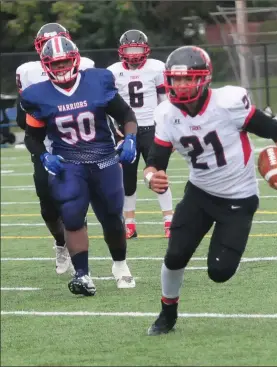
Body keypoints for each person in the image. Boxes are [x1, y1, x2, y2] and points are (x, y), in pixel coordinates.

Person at [143, 46, 277, 335]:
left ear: (204, 79)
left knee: (219, 272)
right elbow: (156, 159)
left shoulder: (228, 102)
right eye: (175, 80)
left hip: (239, 198)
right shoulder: (166, 113)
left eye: (187, 78)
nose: (181, 85)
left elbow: (274, 129)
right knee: (175, 256)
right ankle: (167, 314)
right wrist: (151, 176)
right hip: (200, 194)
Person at [21, 36, 137, 296]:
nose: (61, 68)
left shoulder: (97, 81)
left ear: (74, 59)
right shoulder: (36, 95)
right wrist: (43, 156)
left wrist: (129, 138)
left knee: (112, 218)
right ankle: (83, 275)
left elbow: (126, 115)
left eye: (64, 62)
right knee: (72, 217)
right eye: (55, 63)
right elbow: (32, 136)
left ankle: (120, 265)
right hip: (68, 163)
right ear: (46, 64)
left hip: (105, 158)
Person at [15, 23, 95, 275]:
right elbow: (22, 118)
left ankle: (81, 264)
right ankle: (61, 243)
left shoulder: (87, 66)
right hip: (45, 146)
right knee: (48, 206)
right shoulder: (27, 72)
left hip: (77, 144)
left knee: (76, 203)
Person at [107, 29, 173, 239]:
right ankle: (130, 224)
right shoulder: (113, 71)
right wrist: (116, 131)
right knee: (127, 180)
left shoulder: (157, 67)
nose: (134, 54)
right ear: (121, 50)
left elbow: (165, 102)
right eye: (130, 49)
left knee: (158, 175)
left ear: (145, 49)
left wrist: (166, 127)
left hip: (153, 129)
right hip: (128, 131)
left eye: (137, 48)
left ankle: (168, 221)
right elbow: (109, 107)